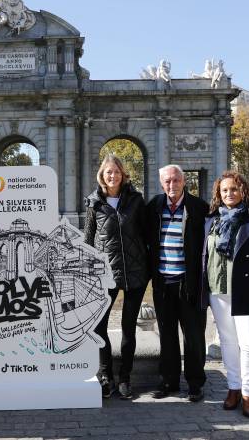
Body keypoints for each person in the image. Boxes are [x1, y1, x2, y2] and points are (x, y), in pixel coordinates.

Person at [202, 170, 249, 417]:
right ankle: (233, 388)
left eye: (234, 189)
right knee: (228, 343)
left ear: (243, 191)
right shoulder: (212, 220)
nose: (229, 193)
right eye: (224, 190)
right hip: (218, 291)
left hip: (247, 292)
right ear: (218, 194)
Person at [84, 154, 149, 400]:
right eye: (108, 172)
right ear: (102, 175)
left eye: (117, 172)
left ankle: (125, 378)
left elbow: (146, 234)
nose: (113, 176)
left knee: (128, 328)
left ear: (123, 175)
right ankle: (105, 376)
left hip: (135, 273)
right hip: (105, 275)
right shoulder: (93, 203)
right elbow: (88, 240)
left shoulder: (136, 200)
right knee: (99, 326)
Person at [145, 164, 209, 402]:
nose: (172, 185)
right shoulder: (154, 206)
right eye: (167, 181)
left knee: (193, 336)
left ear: (184, 181)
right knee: (167, 335)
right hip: (163, 282)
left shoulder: (199, 207)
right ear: (162, 184)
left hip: (189, 282)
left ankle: (195, 384)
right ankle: (168, 382)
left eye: (176, 180)